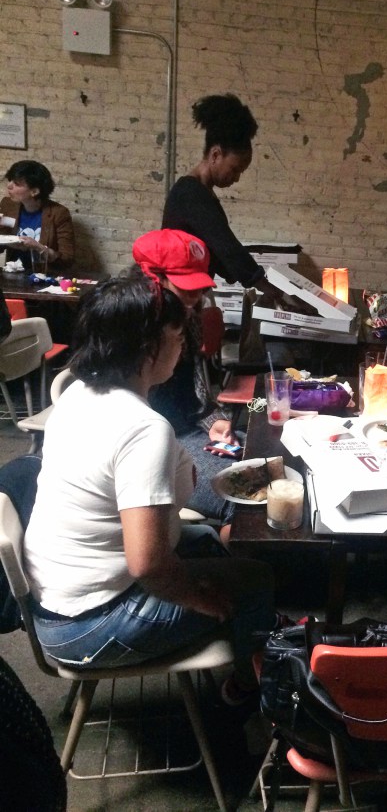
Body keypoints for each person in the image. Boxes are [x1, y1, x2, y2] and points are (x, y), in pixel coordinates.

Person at [23, 273, 276, 699]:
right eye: (177, 337)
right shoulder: (143, 429)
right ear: (148, 346)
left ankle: (251, 639)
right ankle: (255, 694)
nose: (183, 346)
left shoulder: (79, 392)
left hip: (55, 600)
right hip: (87, 625)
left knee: (209, 542)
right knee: (257, 581)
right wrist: (198, 599)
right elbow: (147, 564)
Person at [131, 228, 239, 525]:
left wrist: (213, 421)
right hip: (159, 442)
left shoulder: (187, 320)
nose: (197, 295)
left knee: (268, 461)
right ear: (153, 280)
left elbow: (194, 393)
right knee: (245, 501)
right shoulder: (135, 337)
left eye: (200, 286)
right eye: (185, 286)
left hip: (188, 430)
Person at [162, 93, 275, 296]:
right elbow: (226, 245)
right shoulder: (190, 193)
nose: (236, 178)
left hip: (190, 295)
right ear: (215, 155)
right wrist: (269, 289)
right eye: (234, 169)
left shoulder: (203, 193)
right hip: (177, 298)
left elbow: (218, 251)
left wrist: (240, 274)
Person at [1, 160, 75, 272]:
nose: (9, 186)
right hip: (12, 273)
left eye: (16, 183)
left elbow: (67, 260)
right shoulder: (8, 204)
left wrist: (38, 247)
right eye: (10, 180)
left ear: (34, 191)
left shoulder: (59, 213)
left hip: (44, 276)